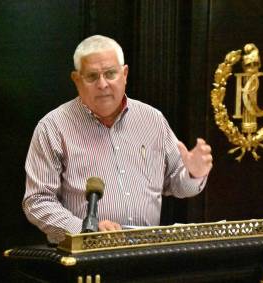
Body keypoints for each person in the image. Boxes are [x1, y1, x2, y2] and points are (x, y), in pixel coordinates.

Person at [23, 35, 213, 243]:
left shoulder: (152, 119)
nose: (103, 84)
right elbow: (38, 201)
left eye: (110, 73)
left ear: (124, 74)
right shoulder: (53, 127)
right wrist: (86, 229)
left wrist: (194, 174)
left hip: (146, 253)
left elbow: (178, 185)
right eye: (92, 76)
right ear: (77, 80)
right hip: (84, 256)